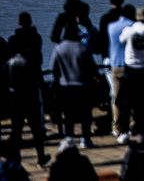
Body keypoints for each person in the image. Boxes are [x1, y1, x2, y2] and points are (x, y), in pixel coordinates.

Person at [4, 16, 49, 168]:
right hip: (30, 96)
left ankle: (15, 158)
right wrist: (43, 87)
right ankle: (41, 156)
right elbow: (39, 78)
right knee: (36, 129)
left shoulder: (9, 63)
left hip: (15, 97)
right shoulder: (31, 62)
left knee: (16, 130)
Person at [51, 24, 97, 148]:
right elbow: (92, 68)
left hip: (65, 86)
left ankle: (69, 139)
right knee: (85, 114)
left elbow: (54, 69)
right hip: (83, 85)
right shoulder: (83, 48)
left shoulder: (59, 48)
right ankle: (85, 139)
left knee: (68, 115)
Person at [118, 7, 144, 138]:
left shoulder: (129, 30)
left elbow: (121, 40)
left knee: (126, 102)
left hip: (130, 69)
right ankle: (143, 130)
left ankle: (124, 131)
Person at [107, 4, 135, 141]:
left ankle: (115, 126)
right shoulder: (133, 26)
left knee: (116, 98)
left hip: (115, 66)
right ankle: (129, 125)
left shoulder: (111, 27)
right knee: (130, 98)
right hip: (129, 66)